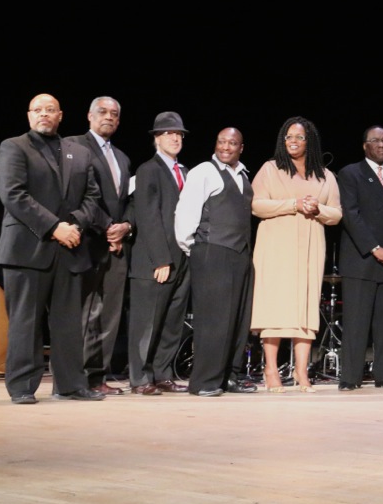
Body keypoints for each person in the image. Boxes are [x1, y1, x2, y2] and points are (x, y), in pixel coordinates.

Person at [0, 93, 106, 404]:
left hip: (70, 248)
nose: (43, 114)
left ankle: (70, 385)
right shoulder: (14, 147)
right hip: (27, 248)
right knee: (25, 322)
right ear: (29, 115)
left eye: (50, 109)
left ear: (60, 115)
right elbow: (13, 194)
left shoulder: (79, 153)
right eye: (37, 110)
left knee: (68, 323)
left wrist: (74, 226)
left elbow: (92, 197)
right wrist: (55, 227)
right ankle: (22, 387)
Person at [251, 116, 342, 392]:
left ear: (309, 141)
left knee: (305, 306)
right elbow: (256, 205)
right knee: (276, 305)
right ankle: (270, 369)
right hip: (276, 246)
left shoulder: (325, 176)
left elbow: (336, 214)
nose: (293, 141)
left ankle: (301, 371)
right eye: (288, 136)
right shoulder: (270, 169)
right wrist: (293, 204)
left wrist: (317, 209)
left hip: (310, 247)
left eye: (299, 137)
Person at [175, 127, 257, 396]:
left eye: (232, 143)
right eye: (221, 142)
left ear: (241, 148)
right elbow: (185, 211)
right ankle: (204, 382)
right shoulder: (204, 171)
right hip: (212, 250)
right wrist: (193, 247)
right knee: (214, 320)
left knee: (238, 319)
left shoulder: (243, 175)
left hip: (240, 253)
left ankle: (229, 377)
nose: (225, 147)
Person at [65, 96, 133, 396]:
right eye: (103, 112)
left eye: (114, 114)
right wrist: (107, 227)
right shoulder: (73, 146)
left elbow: (126, 201)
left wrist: (125, 226)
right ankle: (74, 378)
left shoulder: (122, 157)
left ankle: (97, 376)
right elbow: (79, 195)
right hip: (87, 241)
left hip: (115, 246)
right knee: (84, 314)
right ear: (89, 116)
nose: (109, 117)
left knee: (109, 315)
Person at [335, 126, 383, 391]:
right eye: (376, 140)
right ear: (364, 146)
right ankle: (351, 376)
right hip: (362, 259)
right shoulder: (350, 174)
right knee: (356, 322)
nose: (382, 145)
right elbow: (351, 215)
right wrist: (375, 248)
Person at [127, 111, 193, 396]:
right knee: (147, 321)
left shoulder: (186, 172)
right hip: (156, 260)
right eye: (169, 133)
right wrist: (161, 259)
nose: (175, 138)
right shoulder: (148, 170)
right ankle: (140, 378)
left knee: (172, 321)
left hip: (183, 257)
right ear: (157, 138)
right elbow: (148, 216)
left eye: (179, 134)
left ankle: (162, 373)